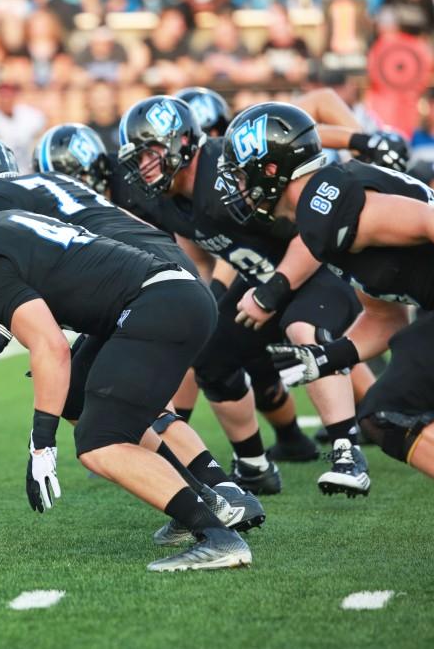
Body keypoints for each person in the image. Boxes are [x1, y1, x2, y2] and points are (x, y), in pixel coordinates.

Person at [0, 162, 252, 571]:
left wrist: (41, 443)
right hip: (162, 296)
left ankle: (219, 538)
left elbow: (50, 345)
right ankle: (207, 501)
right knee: (79, 396)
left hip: (156, 305)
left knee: (100, 443)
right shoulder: (3, 223)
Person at [219, 102, 434, 606]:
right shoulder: (329, 216)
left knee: (392, 409)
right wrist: (327, 357)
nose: (236, 186)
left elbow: (431, 222)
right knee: (389, 411)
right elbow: (385, 316)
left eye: (240, 173)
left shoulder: (326, 200)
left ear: (270, 168)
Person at [115, 96, 372, 496]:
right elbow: (198, 248)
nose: (144, 167)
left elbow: (313, 229)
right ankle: (253, 466)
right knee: (210, 356)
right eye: (139, 158)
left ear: (181, 141)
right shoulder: (167, 197)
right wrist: (201, 301)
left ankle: (347, 452)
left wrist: (273, 291)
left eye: (151, 154)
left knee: (304, 328)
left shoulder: (227, 170)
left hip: (321, 268)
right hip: (264, 281)